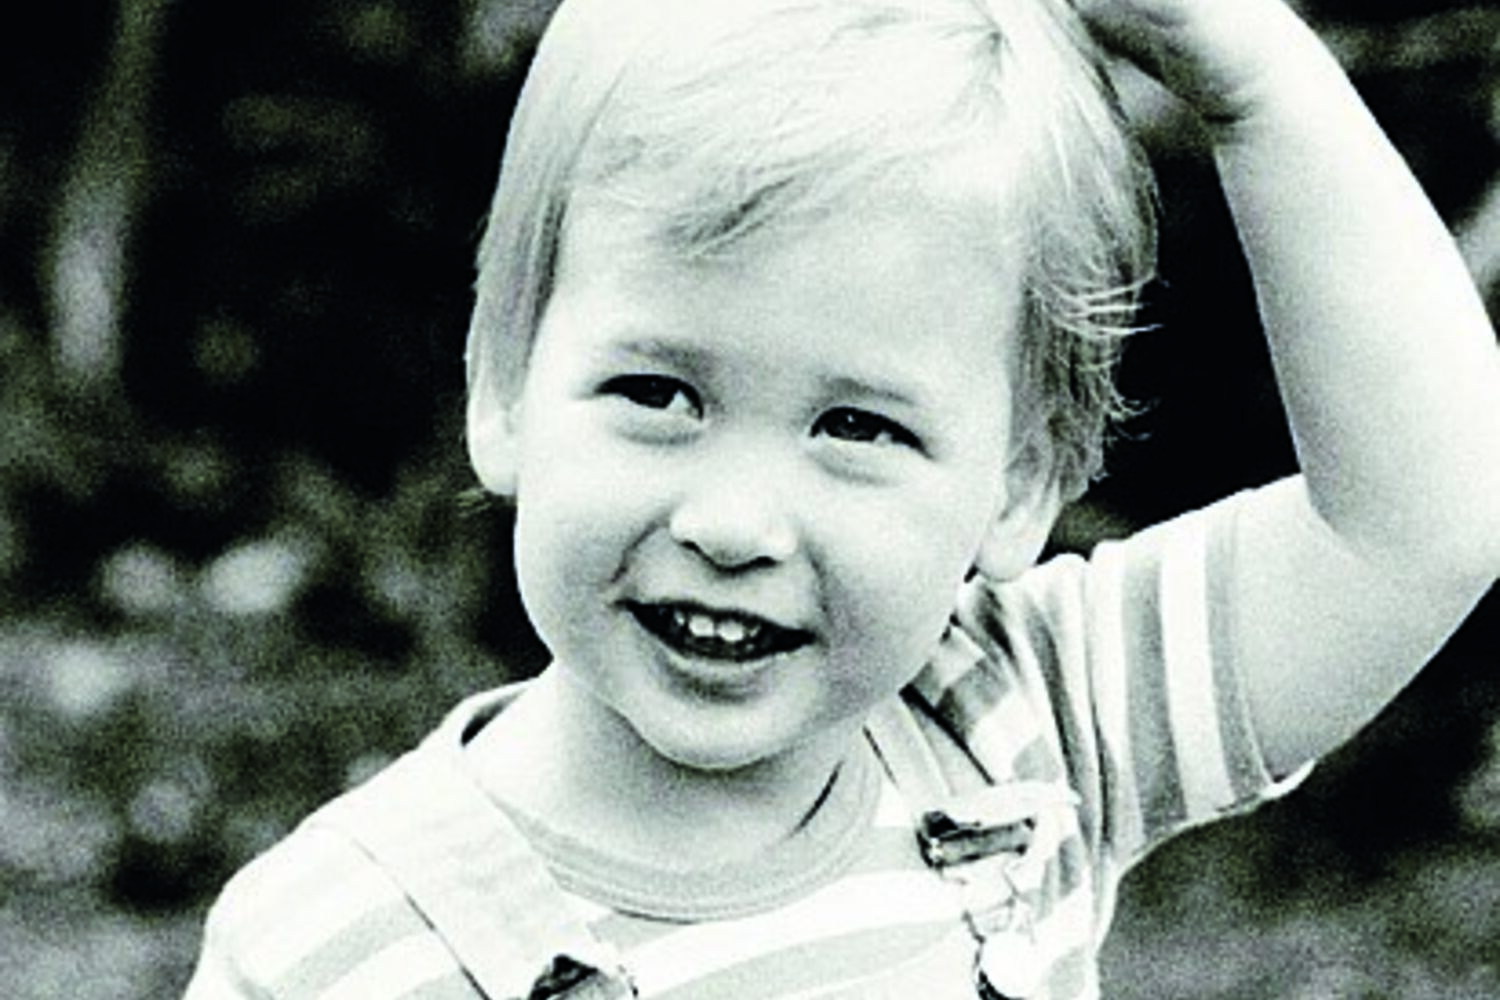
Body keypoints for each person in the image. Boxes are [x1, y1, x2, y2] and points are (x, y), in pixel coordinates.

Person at [183, 0, 1500, 997]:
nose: (734, 526)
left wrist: (1254, 82)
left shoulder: (1023, 723)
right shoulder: (336, 946)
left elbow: (1426, 520)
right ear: (505, 388)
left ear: (1020, 484)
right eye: (659, 393)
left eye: (857, 426)